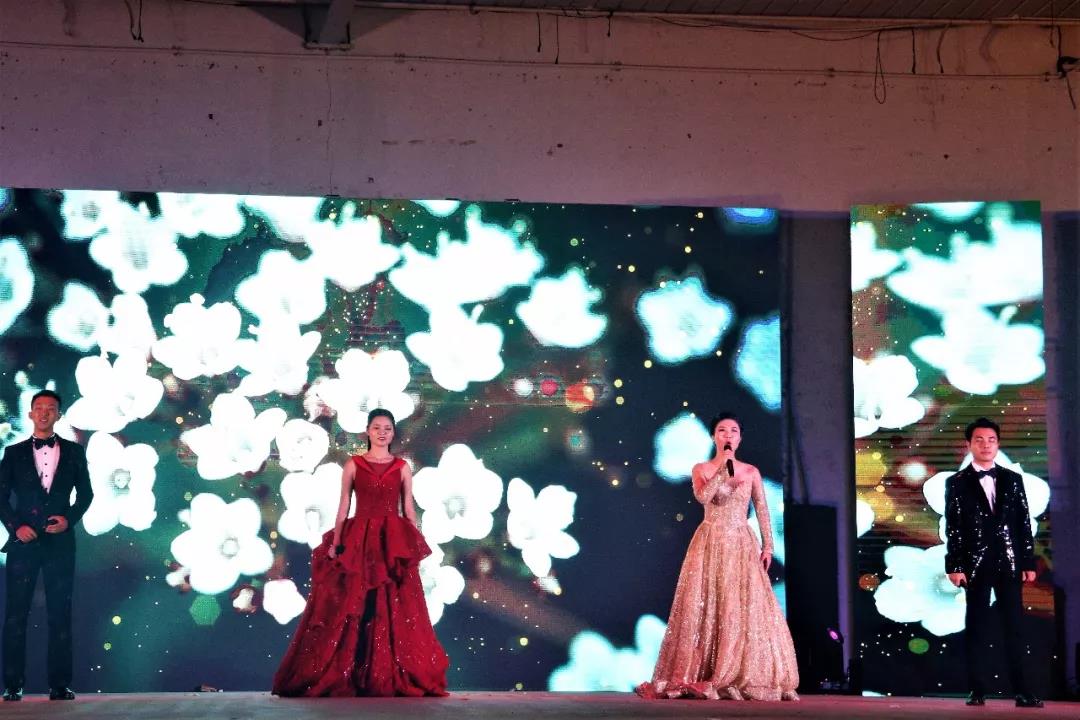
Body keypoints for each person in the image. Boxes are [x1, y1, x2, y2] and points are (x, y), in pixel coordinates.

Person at [273, 408, 449, 697]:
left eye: (387, 428)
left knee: (391, 604)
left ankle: (384, 670)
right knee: (355, 603)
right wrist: (336, 541)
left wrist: (413, 542)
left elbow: (408, 507)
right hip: (360, 535)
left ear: (393, 433)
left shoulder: (402, 467)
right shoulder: (353, 465)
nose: (382, 433)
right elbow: (344, 504)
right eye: (377, 427)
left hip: (391, 536)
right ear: (368, 431)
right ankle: (352, 670)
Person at [637, 413, 798, 701]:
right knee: (708, 603)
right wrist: (723, 472)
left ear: (740, 438)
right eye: (722, 430)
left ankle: (737, 674)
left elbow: (762, 509)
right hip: (710, 539)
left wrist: (768, 546)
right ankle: (707, 672)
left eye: (733, 431)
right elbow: (703, 497)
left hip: (741, 541)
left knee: (740, 606)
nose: (728, 435)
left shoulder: (751, 472)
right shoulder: (701, 468)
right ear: (714, 436)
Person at [0, 389, 93, 702]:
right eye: (38, 408)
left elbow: (86, 495)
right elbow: (0, 496)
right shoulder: (13, 453)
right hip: (23, 544)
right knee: (16, 615)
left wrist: (69, 519)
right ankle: (12, 685)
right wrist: (16, 526)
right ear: (30, 414)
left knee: (60, 615)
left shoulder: (74, 452)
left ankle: (60, 685)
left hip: (60, 544)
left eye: (50, 408)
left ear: (58, 415)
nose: (43, 413)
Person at [945, 417, 1043, 708]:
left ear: (998, 444)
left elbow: (1023, 523)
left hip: (1009, 561)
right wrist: (954, 565)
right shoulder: (957, 483)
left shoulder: (1013, 479)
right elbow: (954, 527)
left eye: (991, 440)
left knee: (1014, 627)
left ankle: (1022, 691)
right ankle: (977, 690)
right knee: (976, 626)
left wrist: (1028, 562)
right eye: (979, 440)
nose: (986, 445)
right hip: (974, 563)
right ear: (969, 444)